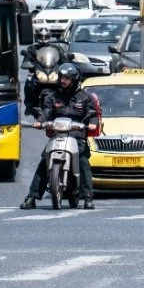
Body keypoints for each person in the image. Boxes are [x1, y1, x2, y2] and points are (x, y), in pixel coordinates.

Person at [20, 63, 101, 210]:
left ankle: (88, 197)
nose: (63, 81)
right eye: (61, 77)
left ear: (75, 80)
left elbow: (92, 114)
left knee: (83, 162)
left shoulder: (85, 98)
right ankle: (31, 197)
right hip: (58, 135)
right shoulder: (53, 97)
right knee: (44, 161)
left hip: (77, 136)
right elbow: (46, 112)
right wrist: (40, 121)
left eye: (67, 78)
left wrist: (92, 123)